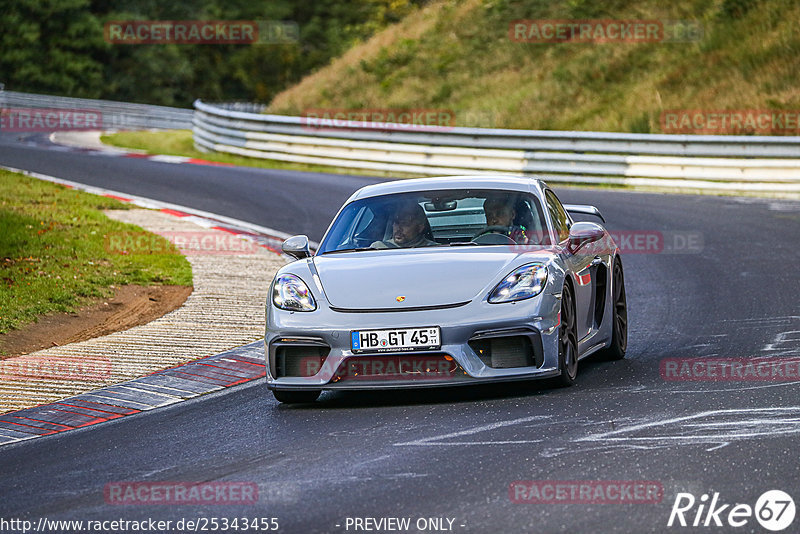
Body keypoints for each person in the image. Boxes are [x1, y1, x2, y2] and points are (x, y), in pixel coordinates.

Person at [371, 201, 437, 249]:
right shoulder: (377, 248)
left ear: (420, 228)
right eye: (396, 222)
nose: (398, 228)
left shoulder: (435, 250)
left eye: (405, 224)